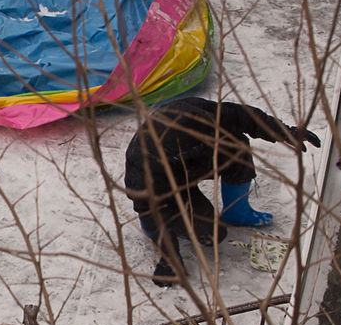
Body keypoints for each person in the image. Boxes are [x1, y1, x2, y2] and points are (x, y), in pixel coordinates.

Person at [123, 97, 320, 286]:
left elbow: (245, 117)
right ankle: (163, 227)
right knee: (212, 236)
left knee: (237, 147)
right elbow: (150, 210)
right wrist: (170, 259)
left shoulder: (201, 114)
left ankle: (237, 211)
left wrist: (285, 131)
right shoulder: (145, 164)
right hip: (171, 186)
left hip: (197, 161)